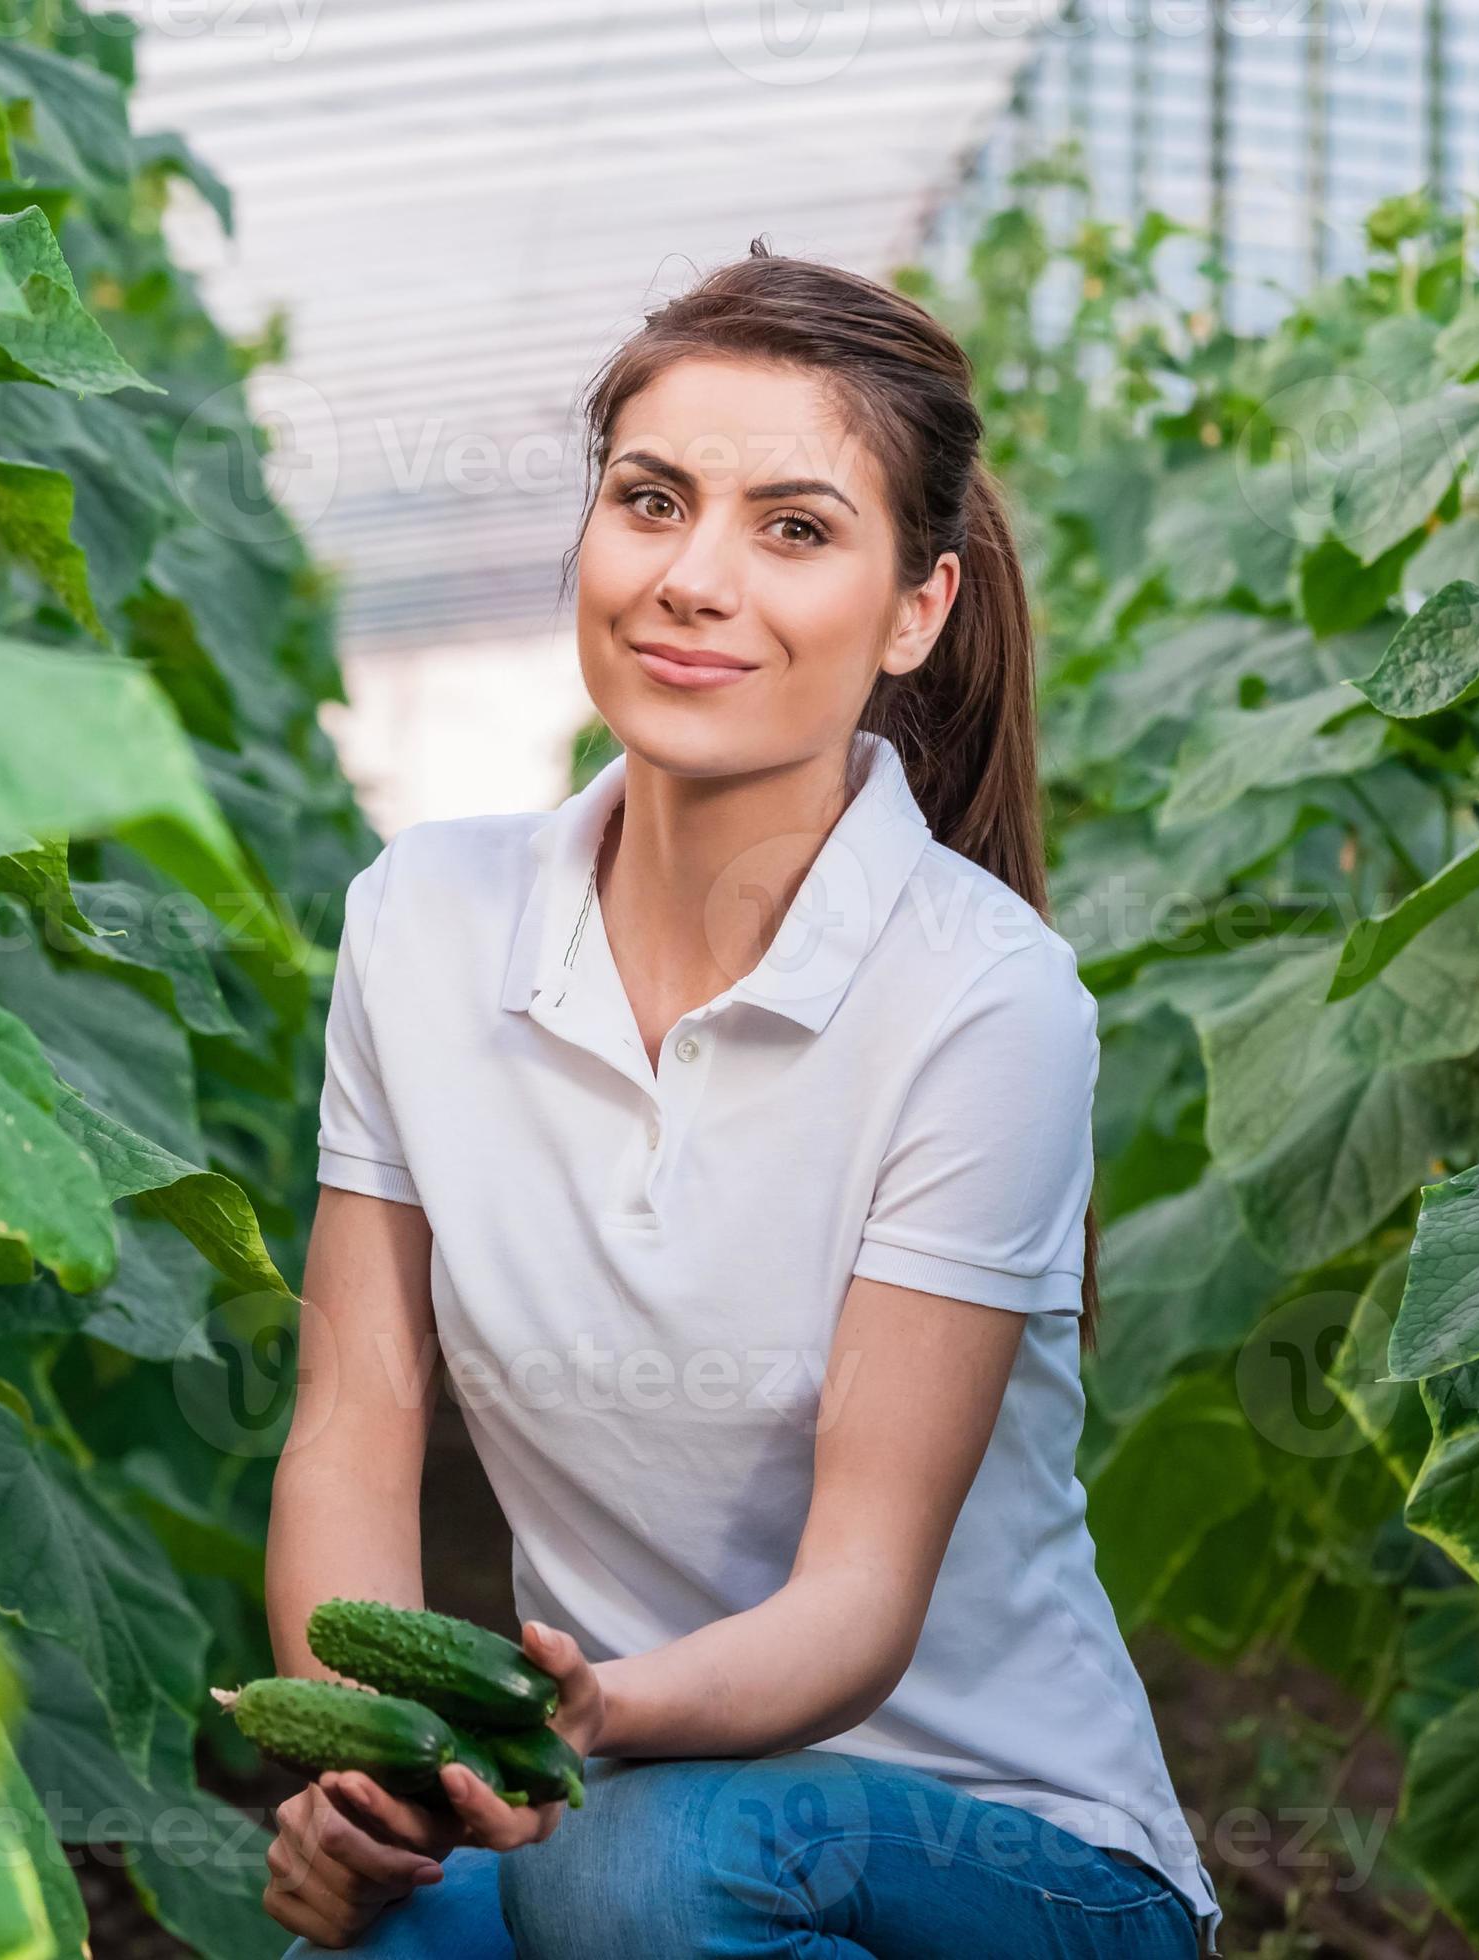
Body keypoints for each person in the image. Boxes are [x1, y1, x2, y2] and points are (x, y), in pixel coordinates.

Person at [259, 244, 1222, 1959]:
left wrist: (585, 1728)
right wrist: (378, 1778)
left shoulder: (981, 997)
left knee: (630, 1876)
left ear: (915, 608)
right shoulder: (421, 920)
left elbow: (855, 1603)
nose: (692, 578)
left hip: (1017, 1862)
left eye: (792, 528)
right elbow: (351, 1428)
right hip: (615, 1805)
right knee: (382, 1933)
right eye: (648, 501)